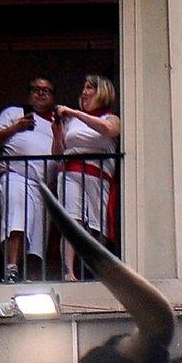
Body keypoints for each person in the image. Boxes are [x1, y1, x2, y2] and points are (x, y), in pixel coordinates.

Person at [0, 77, 59, 282]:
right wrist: (16, 128)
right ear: (29, 94)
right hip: (16, 176)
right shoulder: (14, 113)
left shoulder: (57, 123)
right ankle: (11, 268)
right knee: (16, 219)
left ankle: (32, 276)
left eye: (47, 91)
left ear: (53, 97)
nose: (41, 94)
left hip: (42, 185)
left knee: (37, 233)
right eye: (36, 89)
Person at [54, 75, 121, 279]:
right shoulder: (71, 122)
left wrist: (74, 112)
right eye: (83, 87)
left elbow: (109, 130)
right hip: (70, 172)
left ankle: (97, 271)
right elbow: (57, 153)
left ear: (102, 92)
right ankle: (68, 272)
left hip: (97, 175)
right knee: (71, 220)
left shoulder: (111, 118)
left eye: (90, 88)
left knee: (97, 224)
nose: (84, 91)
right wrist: (56, 131)